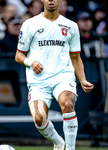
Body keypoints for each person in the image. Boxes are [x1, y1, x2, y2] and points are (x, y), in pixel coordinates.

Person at [15, 0, 94, 150]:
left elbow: (76, 57)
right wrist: (30, 62)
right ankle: (58, 142)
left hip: (63, 76)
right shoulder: (30, 24)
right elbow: (19, 55)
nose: (51, 0)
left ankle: (70, 149)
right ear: (42, 0)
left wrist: (82, 79)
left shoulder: (71, 26)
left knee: (68, 104)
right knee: (39, 119)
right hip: (38, 81)